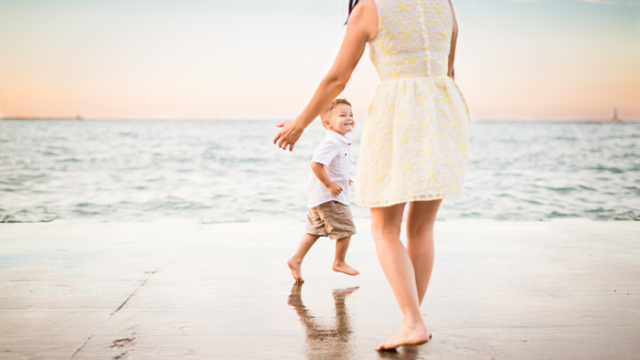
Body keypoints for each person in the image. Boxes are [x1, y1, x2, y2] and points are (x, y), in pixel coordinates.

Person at [274, 0, 470, 351]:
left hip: (399, 112)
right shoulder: (444, 3)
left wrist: (299, 124)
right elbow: (449, 69)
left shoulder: (371, 6)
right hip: (443, 109)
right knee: (422, 227)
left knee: (384, 228)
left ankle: (413, 322)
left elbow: (337, 79)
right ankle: (412, 321)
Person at [286, 99, 360, 283]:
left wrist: (342, 177)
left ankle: (296, 260)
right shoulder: (332, 142)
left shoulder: (339, 141)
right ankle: (339, 262)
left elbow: (332, 165)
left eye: (351, 114)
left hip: (319, 197)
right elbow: (316, 165)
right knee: (346, 229)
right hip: (329, 197)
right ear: (327, 123)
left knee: (314, 231)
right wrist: (330, 185)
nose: (349, 118)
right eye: (342, 115)